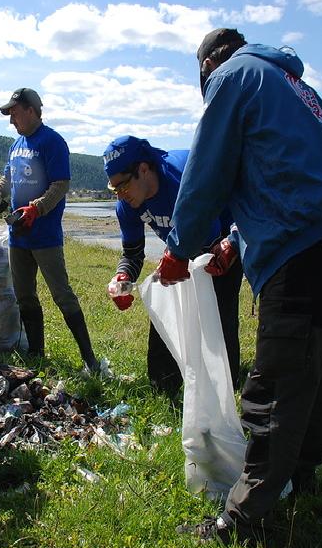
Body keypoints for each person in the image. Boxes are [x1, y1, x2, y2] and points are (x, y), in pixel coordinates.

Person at [154, 28, 322, 543]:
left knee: (276, 379)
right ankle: (303, 474)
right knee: (315, 365)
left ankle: (247, 518)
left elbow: (207, 171)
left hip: (299, 239)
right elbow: (284, 169)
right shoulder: (295, 86)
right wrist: (234, 237)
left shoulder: (231, 77)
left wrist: (180, 249)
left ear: (206, 64)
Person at [102, 135, 243, 397]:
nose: (120, 195)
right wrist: (123, 276)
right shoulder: (127, 205)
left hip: (222, 236)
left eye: (122, 186)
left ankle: (226, 388)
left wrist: (178, 258)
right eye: (114, 190)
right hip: (181, 246)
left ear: (143, 169)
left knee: (218, 314)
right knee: (165, 309)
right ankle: (163, 388)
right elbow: (132, 253)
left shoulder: (182, 180)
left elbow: (206, 236)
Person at [0, 88, 100, 372]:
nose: (11, 120)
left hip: (45, 237)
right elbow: (7, 178)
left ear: (31, 110)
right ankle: (36, 355)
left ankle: (90, 360)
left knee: (62, 294)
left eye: (15, 113)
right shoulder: (16, 144)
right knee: (25, 296)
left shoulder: (52, 141)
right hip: (17, 236)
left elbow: (61, 184)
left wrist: (37, 208)